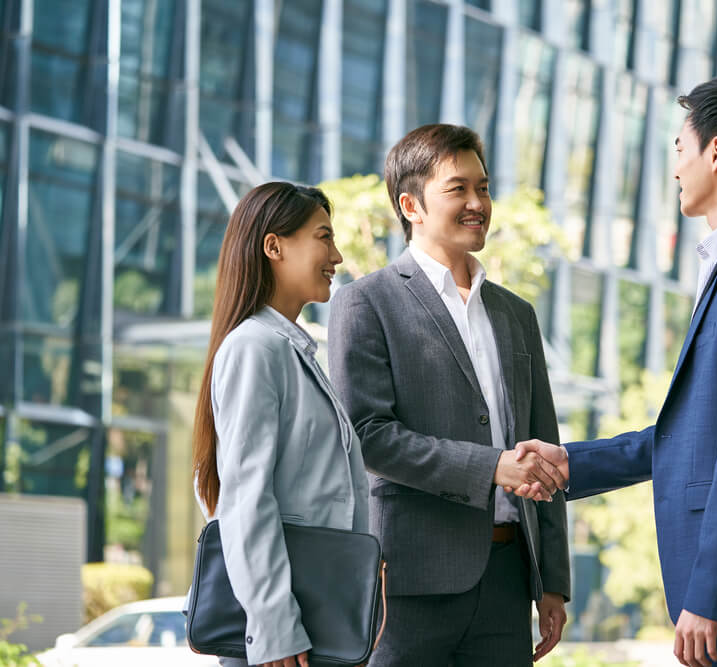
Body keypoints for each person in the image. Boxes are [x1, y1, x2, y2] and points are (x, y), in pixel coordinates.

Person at [513, 76, 717, 666]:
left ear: (716, 152)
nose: (675, 167)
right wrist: (576, 464)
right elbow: (698, 436)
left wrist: (712, 593)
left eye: (678, 149)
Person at [327, 123, 570, 667]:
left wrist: (552, 579)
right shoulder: (365, 304)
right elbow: (368, 437)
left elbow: (543, 445)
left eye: (482, 188)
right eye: (457, 189)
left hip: (508, 583)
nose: (477, 203)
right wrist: (490, 468)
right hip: (408, 583)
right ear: (410, 204)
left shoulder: (517, 314)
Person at [192, 182, 370, 667]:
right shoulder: (255, 348)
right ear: (274, 246)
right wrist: (273, 622)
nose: (336, 254)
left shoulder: (291, 350)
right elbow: (246, 497)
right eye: (323, 237)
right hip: (282, 635)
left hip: (314, 618)